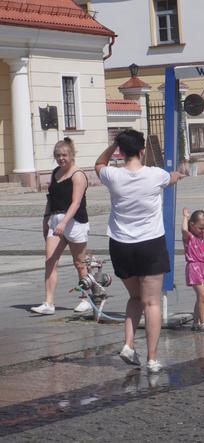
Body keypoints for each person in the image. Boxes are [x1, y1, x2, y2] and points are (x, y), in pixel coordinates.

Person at [95, 129, 184, 373]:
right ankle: (152, 359)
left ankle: (128, 345)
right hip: (150, 244)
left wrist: (114, 145)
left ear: (121, 152)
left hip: (121, 245)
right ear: (142, 151)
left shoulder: (112, 175)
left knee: (135, 298)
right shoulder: (155, 176)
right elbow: (173, 177)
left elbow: (99, 163)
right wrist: (179, 174)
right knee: (152, 302)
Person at [32, 138, 93, 315]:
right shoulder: (55, 173)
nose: (61, 159)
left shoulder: (78, 175)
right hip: (55, 220)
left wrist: (64, 222)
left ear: (72, 155)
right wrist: (46, 219)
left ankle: (85, 298)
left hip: (75, 222)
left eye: (64, 155)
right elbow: (50, 198)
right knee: (50, 261)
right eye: (58, 155)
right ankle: (48, 303)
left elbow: (76, 203)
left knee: (79, 263)